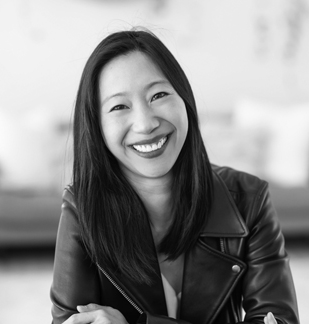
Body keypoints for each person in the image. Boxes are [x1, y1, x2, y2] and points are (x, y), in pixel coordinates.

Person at [50, 29, 299, 324]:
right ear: (97, 127)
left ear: (185, 101)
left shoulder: (249, 199)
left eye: (158, 95)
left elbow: (278, 318)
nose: (145, 124)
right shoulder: (82, 206)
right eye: (119, 106)